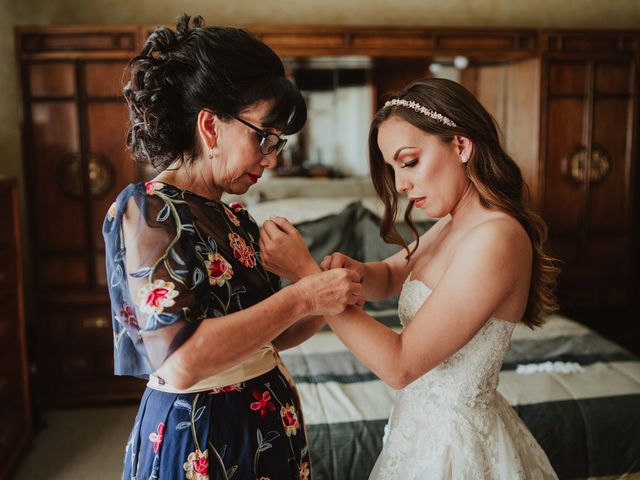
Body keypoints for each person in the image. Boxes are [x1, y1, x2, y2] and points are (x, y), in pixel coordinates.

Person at [102, 14, 364, 480]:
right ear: (210, 127)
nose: (272, 157)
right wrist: (303, 295)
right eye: (263, 136)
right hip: (200, 439)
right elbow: (181, 364)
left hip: (262, 426)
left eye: (278, 142)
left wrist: (325, 297)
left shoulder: (234, 215)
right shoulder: (149, 211)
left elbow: (271, 335)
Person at [260, 77, 560, 479]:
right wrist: (356, 271)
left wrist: (307, 276)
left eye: (409, 161)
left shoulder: (496, 238)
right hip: (417, 431)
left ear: (461, 145)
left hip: (456, 448)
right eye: (393, 168)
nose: (400, 184)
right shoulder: (452, 225)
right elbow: (390, 275)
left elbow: (399, 365)